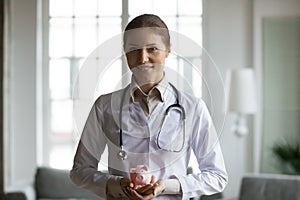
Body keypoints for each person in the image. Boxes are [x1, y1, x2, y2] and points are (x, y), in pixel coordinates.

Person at [70, 14, 228, 200]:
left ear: (168, 50)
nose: (143, 58)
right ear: (125, 52)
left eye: (152, 48)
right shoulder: (104, 106)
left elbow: (217, 176)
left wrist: (167, 186)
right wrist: (117, 184)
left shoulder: (193, 107)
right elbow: (79, 171)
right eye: (134, 49)